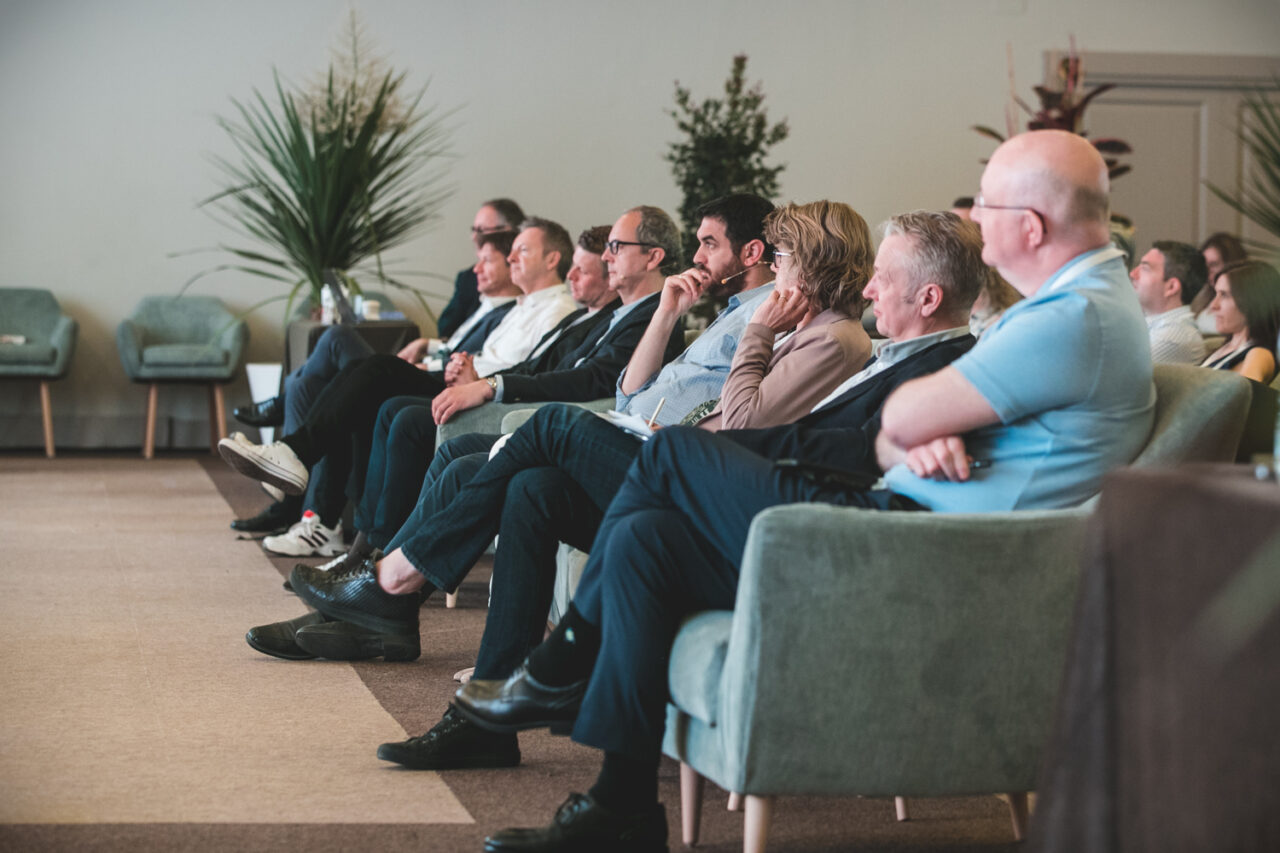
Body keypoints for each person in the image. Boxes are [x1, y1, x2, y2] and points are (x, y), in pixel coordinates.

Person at [460, 130, 1154, 852]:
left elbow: (899, 417)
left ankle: (559, 662)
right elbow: (899, 424)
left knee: (670, 454)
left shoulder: (1071, 318)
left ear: (1031, 225)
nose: (975, 217)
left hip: (910, 548)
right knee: (643, 539)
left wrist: (915, 426)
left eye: (987, 202)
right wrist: (916, 428)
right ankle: (622, 805)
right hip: (904, 523)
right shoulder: (1078, 306)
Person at [247, 199, 877, 669]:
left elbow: (741, 421)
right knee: (516, 483)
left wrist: (763, 333)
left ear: (812, 263)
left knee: (542, 427)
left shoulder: (825, 335)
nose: (776, 269)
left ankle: (388, 581)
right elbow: (633, 390)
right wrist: (670, 315)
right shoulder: (784, 323)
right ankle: (438, 648)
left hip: (679, 467)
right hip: (650, 436)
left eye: (785, 258)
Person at [216, 218, 580, 497]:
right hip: (460, 379)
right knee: (352, 375)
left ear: (552, 259)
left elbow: (527, 370)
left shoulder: (556, 310)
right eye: (512, 251)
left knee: (372, 368)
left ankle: (294, 454)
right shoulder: (522, 306)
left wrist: (469, 374)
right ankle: (295, 463)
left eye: (523, 252)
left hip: (475, 392)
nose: (513, 258)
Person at [227, 230, 520, 538]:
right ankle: (307, 512)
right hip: (444, 374)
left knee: (347, 349)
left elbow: (494, 365)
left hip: (458, 389)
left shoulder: (527, 310)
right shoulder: (489, 305)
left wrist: (433, 363)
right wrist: (429, 346)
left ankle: (287, 440)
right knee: (311, 386)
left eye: (488, 259)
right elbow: (463, 347)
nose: (476, 267)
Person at [435, 198, 525, 338]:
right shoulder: (468, 279)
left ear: (507, 231)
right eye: (474, 230)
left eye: (481, 230)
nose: (474, 237)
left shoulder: (526, 288)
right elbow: (446, 329)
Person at [1199, 259, 1280, 384]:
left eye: (1224, 295)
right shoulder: (1224, 346)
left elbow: (1240, 401)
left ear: (1252, 302)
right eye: (1216, 294)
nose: (1213, 305)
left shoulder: (1258, 355)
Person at [1128, 241, 1209, 364]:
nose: (1133, 274)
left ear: (1171, 287)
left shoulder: (1173, 337)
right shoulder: (1153, 324)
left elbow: (1112, 376)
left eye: (1145, 268)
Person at [1192, 232, 1249, 333]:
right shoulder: (1201, 296)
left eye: (1213, 264)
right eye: (1204, 265)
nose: (1207, 271)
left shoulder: (1245, 302)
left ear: (1231, 264)